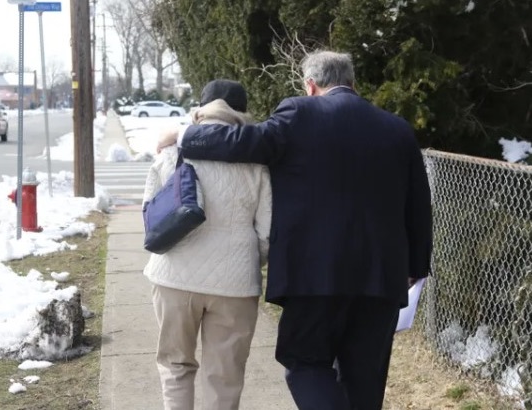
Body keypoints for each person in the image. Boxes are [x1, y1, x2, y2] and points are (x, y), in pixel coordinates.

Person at [158, 51, 433, 409]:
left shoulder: (299, 113)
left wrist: (184, 136)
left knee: (305, 362)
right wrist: (415, 265)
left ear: (311, 85)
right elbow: (418, 202)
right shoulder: (396, 128)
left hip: (314, 276)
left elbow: (246, 143)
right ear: (353, 83)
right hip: (381, 278)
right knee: (364, 378)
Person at [142, 79, 272, 410]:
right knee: (225, 377)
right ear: (242, 112)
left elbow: (151, 211)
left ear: (201, 108)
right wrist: (246, 261)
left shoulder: (173, 150)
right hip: (235, 285)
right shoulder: (258, 161)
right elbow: (268, 231)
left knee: (175, 366)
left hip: (174, 276)